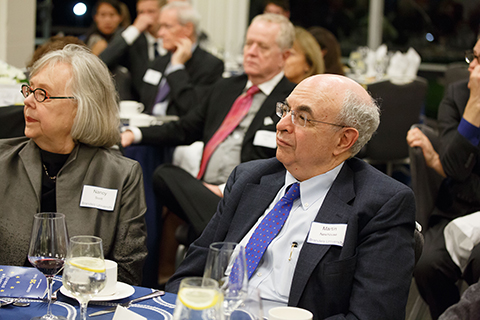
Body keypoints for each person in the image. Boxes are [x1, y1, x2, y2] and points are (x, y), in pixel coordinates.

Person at [166, 74, 416, 319]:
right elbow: (190, 275)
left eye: (303, 118)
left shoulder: (382, 204)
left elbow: (372, 315)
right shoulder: (249, 178)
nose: (281, 124)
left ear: (343, 140)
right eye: (285, 110)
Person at [121, 12, 295, 284]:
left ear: (284, 56)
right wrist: (135, 133)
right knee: (164, 174)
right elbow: (184, 128)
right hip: (206, 192)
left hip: (252, 199)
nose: (251, 52)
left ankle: (208, 243)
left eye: (262, 47)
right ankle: (225, 238)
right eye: (248, 43)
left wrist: (228, 189)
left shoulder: (291, 99)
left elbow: (286, 164)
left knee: (197, 219)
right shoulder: (226, 87)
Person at [0, 44, 148, 285]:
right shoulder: (3, 162)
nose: (27, 100)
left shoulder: (121, 175)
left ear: (82, 106)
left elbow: (127, 274)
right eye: (29, 90)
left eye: (42, 94)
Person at [407, 38, 480, 319]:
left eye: (479, 60)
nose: (472, 66)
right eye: (472, 57)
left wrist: (441, 164)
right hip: (456, 207)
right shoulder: (459, 94)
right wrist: (474, 106)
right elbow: (454, 167)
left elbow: (450, 167)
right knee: (426, 264)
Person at [139, 1, 224, 116]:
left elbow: (191, 107)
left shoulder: (210, 65)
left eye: (167, 26)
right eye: (160, 26)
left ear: (188, 29)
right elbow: (145, 103)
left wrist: (177, 67)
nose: (160, 33)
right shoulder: (158, 62)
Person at [100, 0, 166, 100]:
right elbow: (102, 61)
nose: (145, 17)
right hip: (136, 105)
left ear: (164, 12)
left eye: (151, 12)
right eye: (141, 12)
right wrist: (135, 29)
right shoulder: (132, 39)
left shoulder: (173, 38)